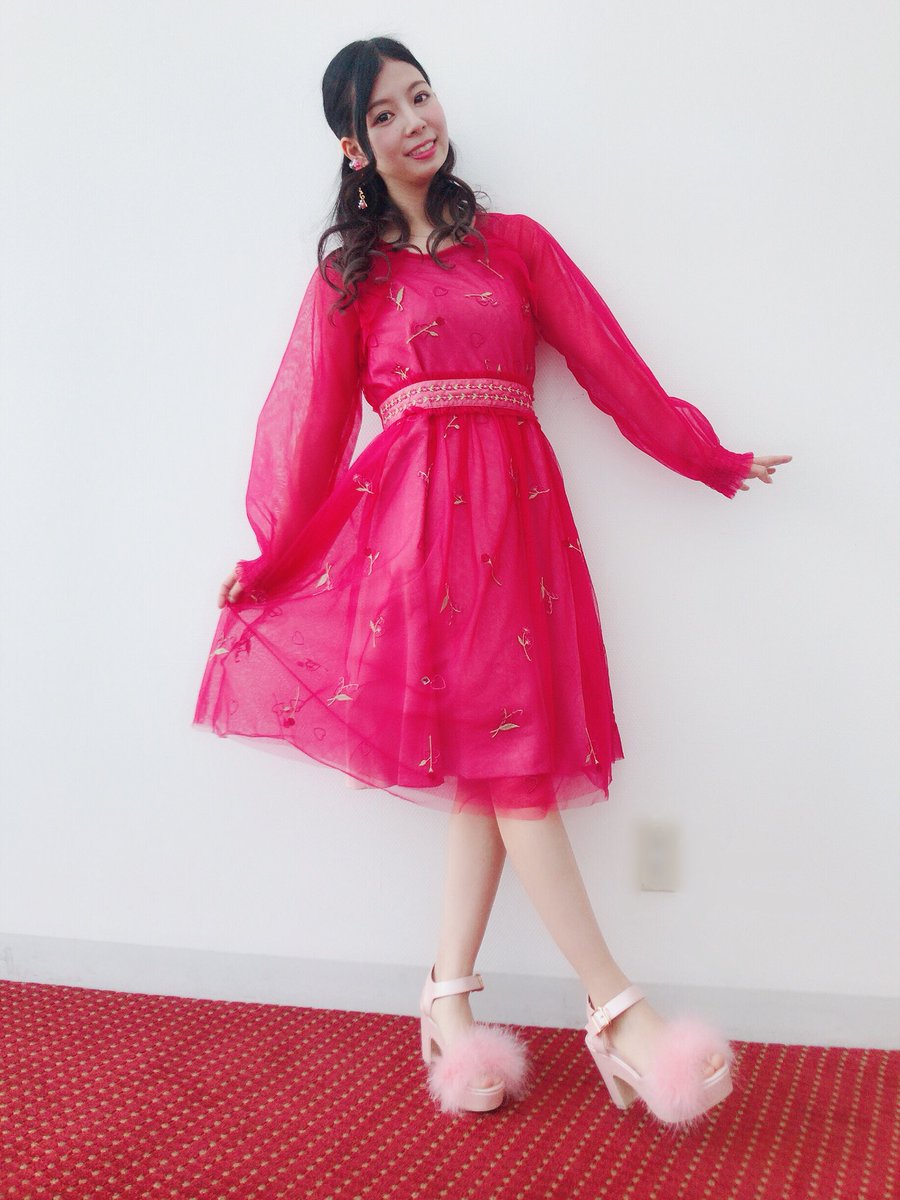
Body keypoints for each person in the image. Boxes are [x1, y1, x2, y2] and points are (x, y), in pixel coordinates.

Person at [193, 37, 791, 1125]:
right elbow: (309, 435)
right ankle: (617, 1012)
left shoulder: (515, 246)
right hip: (415, 543)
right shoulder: (351, 278)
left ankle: (448, 1002)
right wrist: (270, 561)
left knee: (496, 762)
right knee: (510, 772)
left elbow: (611, 367)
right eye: (385, 113)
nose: (415, 121)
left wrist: (704, 455)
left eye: (421, 96)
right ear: (354, 145)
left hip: (519, 530)